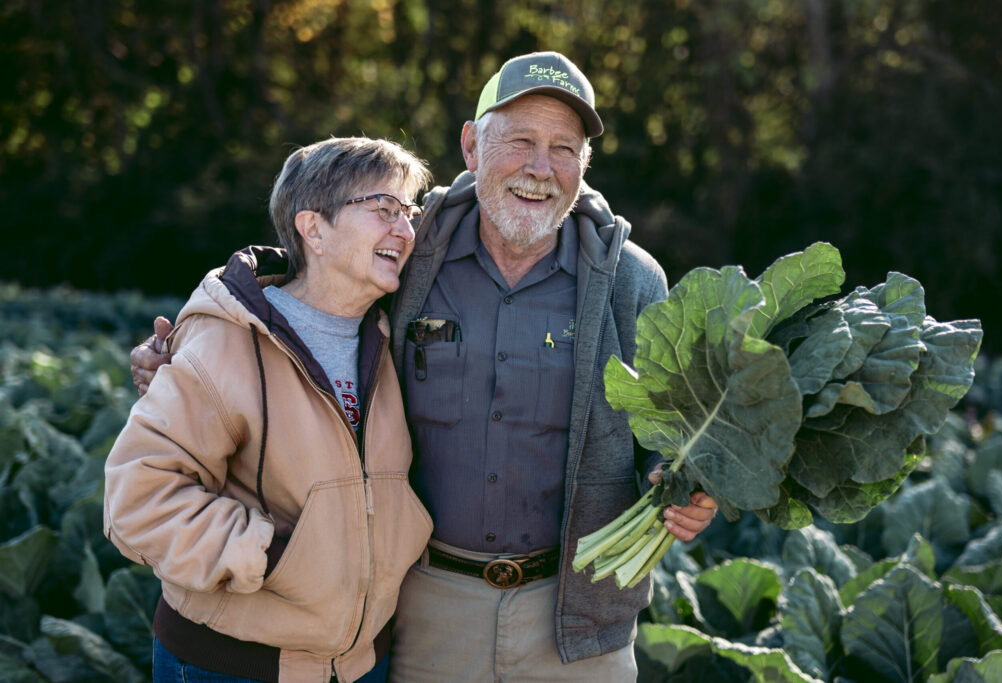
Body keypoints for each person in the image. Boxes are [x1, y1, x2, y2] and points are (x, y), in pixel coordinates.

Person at [132, 52, 718, 681]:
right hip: (425, 606)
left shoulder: (632, 280)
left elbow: (668, 426)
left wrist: (684, 484)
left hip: (577, 621)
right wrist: (188, 349)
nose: (540, 167)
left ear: (584, 165)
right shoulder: (410, 252)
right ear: (471, 146)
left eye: (564, 148)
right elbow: (303, 274)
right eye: (520, 140)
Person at [105, 137, 434, 683]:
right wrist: (272, 556)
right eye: (384, 210)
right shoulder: (223, 344)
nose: (405, 231)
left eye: (410, 213)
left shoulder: (392, 334)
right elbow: (137, 499)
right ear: (313, 228)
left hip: (362, 664)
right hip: (234, 665)